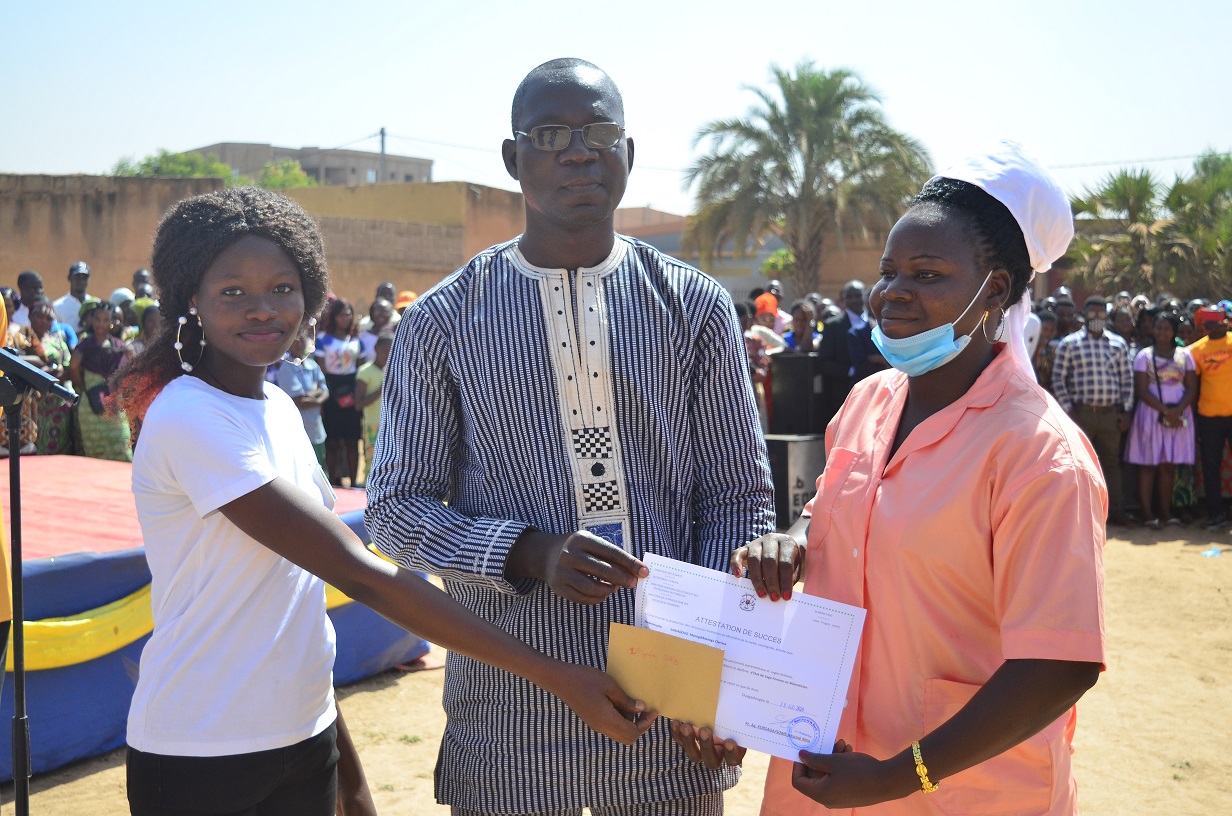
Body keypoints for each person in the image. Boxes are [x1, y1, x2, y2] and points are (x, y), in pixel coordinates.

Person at [111, 187, 656, 816]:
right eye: (232, 291)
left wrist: (349, 781)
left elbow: (295, 608)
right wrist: (559, 677)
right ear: (191, 300)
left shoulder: (278, 408)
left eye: (283, 288)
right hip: (200, 750)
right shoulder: (189, 416)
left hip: (302, 734)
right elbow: (359, 573)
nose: (262, 309)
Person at [364, 58, 774, 816]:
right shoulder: (445, 320)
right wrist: (528, 551)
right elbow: (394, 512)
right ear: (512, 159)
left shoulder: (694, 307)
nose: (579, 152)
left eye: (599, 133)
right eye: (550, 135)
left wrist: (703, 672)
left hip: (666, 724)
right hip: (510, 717)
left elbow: (737, 497)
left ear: (628, 153)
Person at [678, 141, 1105, 816]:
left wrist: (898, 778)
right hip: (821, 773)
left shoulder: (1040, 455)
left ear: (995, 290)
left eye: (927, 274)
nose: (894, 291)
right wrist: (793, 540)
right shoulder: (868, 402)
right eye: (889, 271)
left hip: (959, 796)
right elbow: (836, 512)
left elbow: (1059, 665)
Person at [1052, 296, 1133, 524]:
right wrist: (1069, 412)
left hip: (1110, 415)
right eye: (1092, 313)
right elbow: (1058, 379)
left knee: (1111, 463)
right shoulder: (1069, 344)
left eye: (1101, 313)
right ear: (1084, 314)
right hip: (1081, 415)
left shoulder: (1118, 344)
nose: (1097, 318)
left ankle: (1116, 511)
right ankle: (1080, 515)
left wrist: (1126, 411)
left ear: (1106, 315)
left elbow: (1126, 379)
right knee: (1079, 464)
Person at [1125, 312, 1196, 529]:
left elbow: (1192, 386)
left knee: (1168, 465)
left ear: (1174, 331)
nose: (1162, 332)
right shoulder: (1143, 356)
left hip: (1179, 414)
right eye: (1158, 328)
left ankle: (1165, 512)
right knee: (1148, 464)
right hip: (1151, 413)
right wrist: (1165, 411)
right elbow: (1141, 389)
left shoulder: (1185, 355)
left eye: (1166, 329)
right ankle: (1147, 514)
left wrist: (1178, 411)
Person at [8, 299, 74, 455]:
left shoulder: (58, 341)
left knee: (58, 441)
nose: (44, 321)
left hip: (57, 399)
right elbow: (15, 363)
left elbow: (67, 366)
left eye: (49, 318)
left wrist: (53, 371)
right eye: (40, 317)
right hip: (32, 400)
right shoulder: (23, 339)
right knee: (32, 442)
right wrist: (45, 369)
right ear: (30, 317)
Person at [1187, 303, 1232, 528]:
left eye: (1215, 320)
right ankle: (1215, 514)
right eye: (1208, 321)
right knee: (1210, 467)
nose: (1210, 325)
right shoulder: (1196, 350)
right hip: (1208, 417)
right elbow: (1193, 386)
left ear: (1224, 322)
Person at [69, 300, 132, 461]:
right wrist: (76, 372)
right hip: (90, 407)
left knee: (122, 450)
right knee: (95, 455)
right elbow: (75, 377)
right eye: (97, 319)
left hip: (115, 406)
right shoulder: (83, 347)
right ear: (92, 320)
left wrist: (131, 357)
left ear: (112, 322)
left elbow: (128, 377)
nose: (101, 324)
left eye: (106, 320)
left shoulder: (120, 347)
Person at [314, 298, 364, 486]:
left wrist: (356, 392)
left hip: (351, 388)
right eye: (341, 314)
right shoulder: (323, 340)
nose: (345, 318)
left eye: (348, 314)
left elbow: (360, 367)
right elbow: (321, 369)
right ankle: (332, 482)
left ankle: (354, 483)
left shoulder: (356, 341)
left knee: (352, 440)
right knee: (333, 441)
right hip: (332, 389)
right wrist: (328, 393)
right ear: (333, 317)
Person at [277, 326, 330, 469]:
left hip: (316, 428)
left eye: (303, 341)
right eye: (296, 341)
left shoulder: (312, 365)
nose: (300, 345)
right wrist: (317, 394)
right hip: (299, 430)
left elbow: (325, 391)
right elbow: (297, 401)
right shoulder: (286, 368)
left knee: (321, 465)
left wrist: (313, 398)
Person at [817, 280, 866, 424]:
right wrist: (851, 371)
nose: (854, 300)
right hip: (844, 394)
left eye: (858, 295)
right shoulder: (833, 326)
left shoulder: (876, 323)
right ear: (843, 299)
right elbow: (824, 363)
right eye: (849, 296)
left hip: (873, 392)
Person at [354, 332, 390, 476]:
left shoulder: (392, 371)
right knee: (372, 463)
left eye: (391, 351)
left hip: (390, 426)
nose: (387, 355)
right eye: (384, 350)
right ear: (376, 348)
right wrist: (381, 389)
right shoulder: (365, 371)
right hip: (373, 426)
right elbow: (359, 403)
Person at [53, 261, 92, 328]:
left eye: (84, 278)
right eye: (77, 277)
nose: (81, 281)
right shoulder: (58, 306)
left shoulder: (94, 304)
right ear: (69, 278)